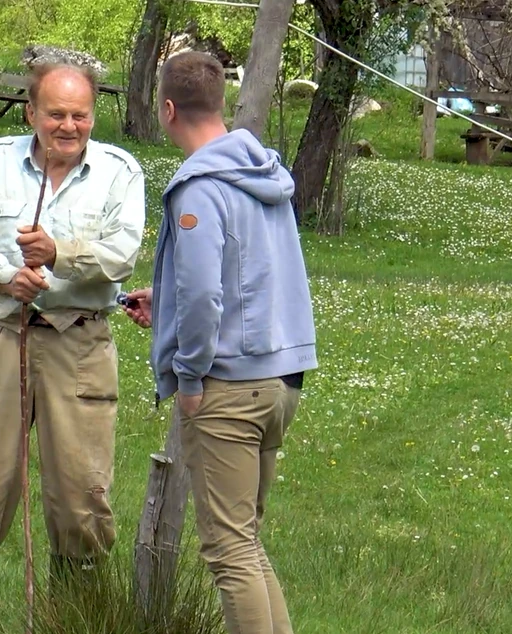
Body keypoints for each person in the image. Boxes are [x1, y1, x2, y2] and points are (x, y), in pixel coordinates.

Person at [123, 51, 318, 634]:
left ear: (167, 108)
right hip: (282, 380)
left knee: (228, 553)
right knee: (247, 544)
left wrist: (188, 380)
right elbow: (251, 275)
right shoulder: (263, 173)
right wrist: (167, 305)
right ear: (222, 104)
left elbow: (208, 294)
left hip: (229, 388)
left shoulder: (199, 187)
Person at [0, 62, 145, 633]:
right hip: (4, 339)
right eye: (55, 113)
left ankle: (71, 625)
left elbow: (121, 255)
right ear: (30, 113)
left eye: (79, 115)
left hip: (79, 345)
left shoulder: (119, 173)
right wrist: (9, 279)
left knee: (81, 504)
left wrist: (58, 253)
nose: (68, 126)